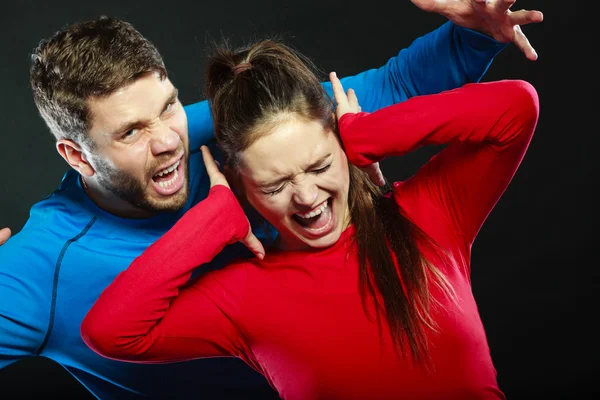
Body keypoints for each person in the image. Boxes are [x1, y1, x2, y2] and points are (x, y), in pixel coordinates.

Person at [0, 1, 543, 399]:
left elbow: (387, 91)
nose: (169, 140)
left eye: (168, 106)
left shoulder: (230, 130)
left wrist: (471, 37)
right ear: (75, 155)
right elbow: (110, 330)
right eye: (130, 133)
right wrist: (215, 219)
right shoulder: (34, 267)